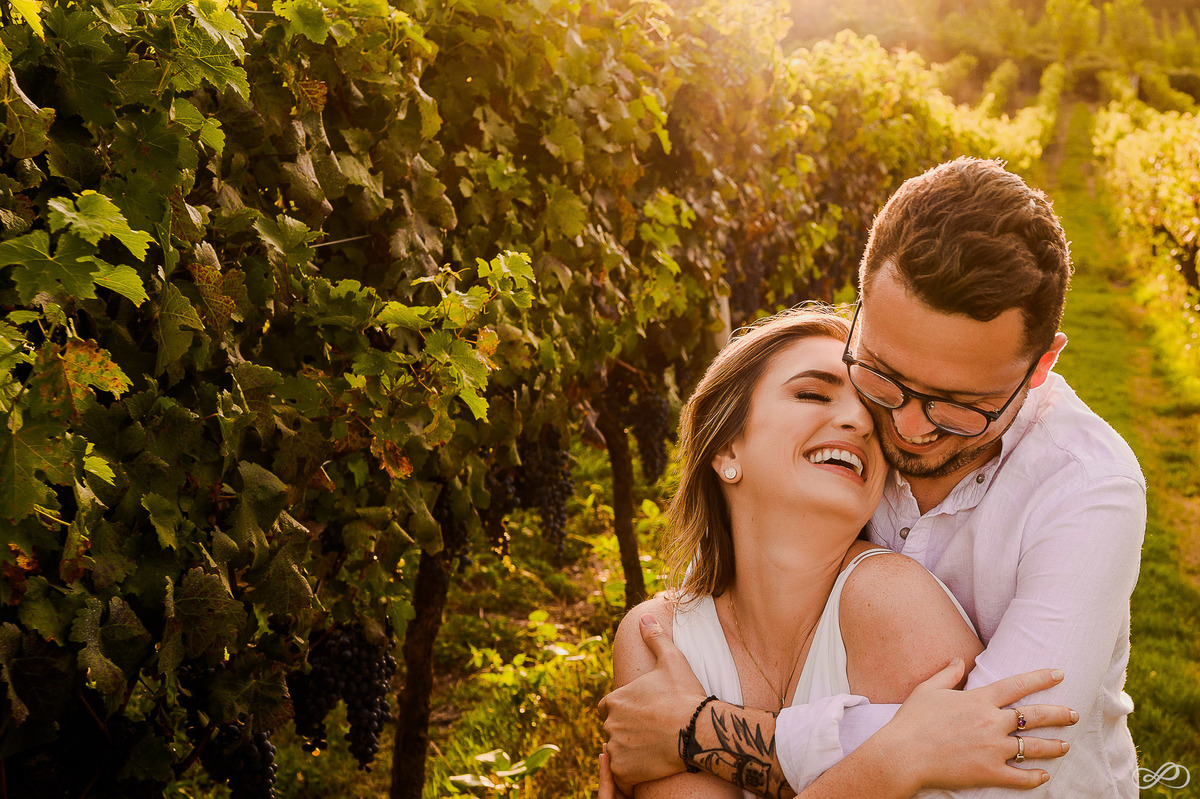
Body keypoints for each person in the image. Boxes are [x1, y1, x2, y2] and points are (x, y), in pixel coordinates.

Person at [598, 157, 1146, 797]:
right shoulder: (840, 434)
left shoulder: (1085, 489)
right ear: (861, 312)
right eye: (884, 377)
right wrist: (902, 750)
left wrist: (702, 732)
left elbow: (1005, 761)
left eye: (961, 405)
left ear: (1041, 365)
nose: (906, 428)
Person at [607, 306, 1075, 798]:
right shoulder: (659, 636)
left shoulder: (888, 599)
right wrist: (892, 763)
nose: (859, 422)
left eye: (872, 413)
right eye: (812, 393)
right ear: (726, 448)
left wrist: (697, 733)